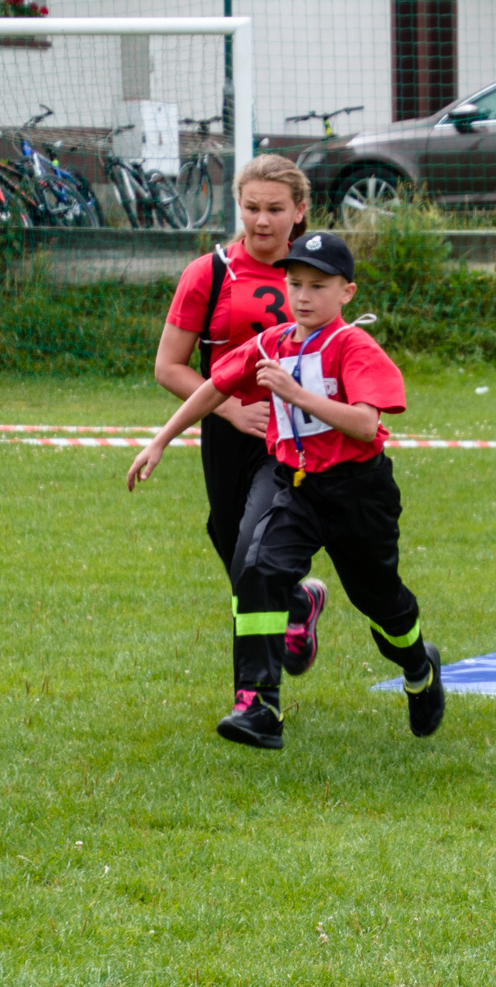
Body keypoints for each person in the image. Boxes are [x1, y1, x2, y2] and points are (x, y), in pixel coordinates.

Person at [129, 230, 444, 749]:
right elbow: (214, 386)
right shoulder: (271, 343)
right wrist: (160, 440)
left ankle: (419, 667)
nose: (303, 296)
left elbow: (366, 424)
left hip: (357, 491)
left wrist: (296, 394)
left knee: (380, 601)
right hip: (294, 485)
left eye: (318, 286)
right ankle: (258, 705)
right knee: (255, 569)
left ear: (347, 292)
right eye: (295, 284)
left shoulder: (354, 346)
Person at [155, 155, 309, 588]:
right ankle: (301, 603)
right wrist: (230, 408)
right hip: (224, 431)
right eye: (252, 208)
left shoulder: (315, 274)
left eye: (275, 209)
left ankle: (277, 623)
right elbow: (168, 367)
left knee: (254, 547)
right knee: (231, 541)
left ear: (299, 211)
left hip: (290, 433)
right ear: (238, 205)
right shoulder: (208, 272)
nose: (262, 221)